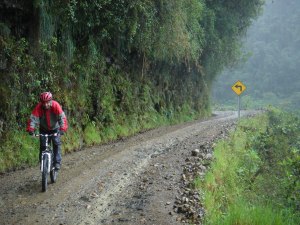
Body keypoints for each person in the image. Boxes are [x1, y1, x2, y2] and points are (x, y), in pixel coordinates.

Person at [26, 92, 68, 170]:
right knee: (43, 146)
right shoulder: (38, 108)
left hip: (55, 128)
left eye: (47, 102)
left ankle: (57, 162)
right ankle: (42, 163)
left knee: (56, 143)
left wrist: (62, 129)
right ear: (41, 103)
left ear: (51, 101)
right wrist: (31, 129)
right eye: (44, 103)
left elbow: (62, 118)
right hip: (44, 129)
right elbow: (33, 119)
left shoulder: (56, 106)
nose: (46, 105)